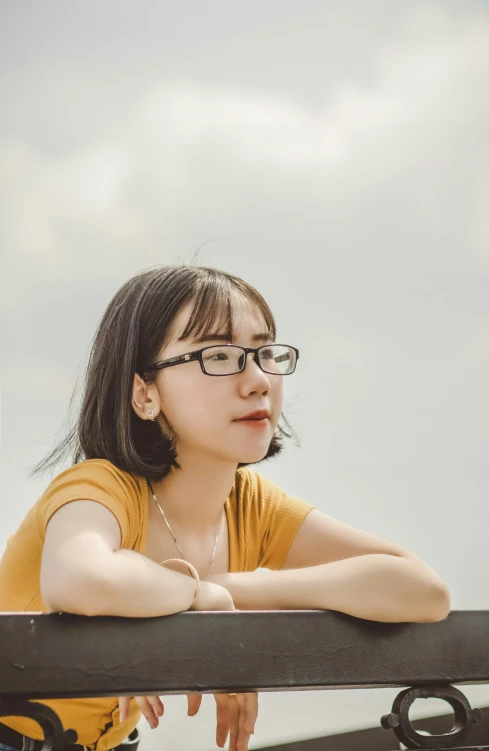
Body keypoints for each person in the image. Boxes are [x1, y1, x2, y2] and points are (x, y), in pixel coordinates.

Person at [0, 265, 451, 751]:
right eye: (218, 355)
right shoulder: (100, 487)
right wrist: (199, 597)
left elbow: (422, 591)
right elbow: (78, 581)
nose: (258, 380)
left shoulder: (250, 505)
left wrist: (225, 591)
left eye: (264, 352)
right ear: (145, 393)